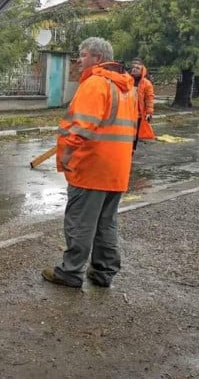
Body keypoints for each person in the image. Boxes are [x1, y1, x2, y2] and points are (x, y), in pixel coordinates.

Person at [42, 37, 138, 288]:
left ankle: (70, 272)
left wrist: (66, 157)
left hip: (92, 166)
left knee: (80, 222)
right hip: (117, 169)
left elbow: (81, 127)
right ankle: (103, 272)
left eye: (83, 55)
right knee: (107, 223)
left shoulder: (96, 83)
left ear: (97, 58)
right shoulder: (127, 87)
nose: (79, 60)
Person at [130, 58, 156, 151]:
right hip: (126, 113)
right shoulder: (127, 80)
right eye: (133, 67)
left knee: (135, 134)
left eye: (137, 68)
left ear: (142, 70)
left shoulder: (146, 84)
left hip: (138, 114)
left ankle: (132, 150)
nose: (134, 69)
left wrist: (149, 112)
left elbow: (149, 98)